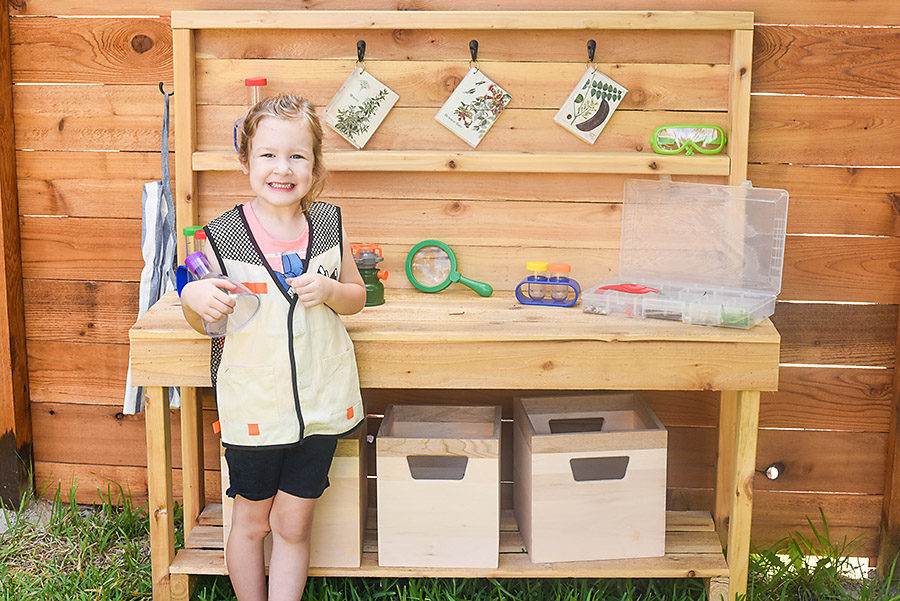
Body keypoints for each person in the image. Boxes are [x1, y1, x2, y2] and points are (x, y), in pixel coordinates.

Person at [180, 94, 366, 601]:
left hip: (319, 403)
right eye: (267, 155)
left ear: (315, 164)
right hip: (256, 407)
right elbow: (195, 307)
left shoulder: (330, 224)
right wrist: (193, 294)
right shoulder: (219, 235)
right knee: (252, 522)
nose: (282, 168)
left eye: (297, 156)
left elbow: (356, 297)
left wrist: (330, 292)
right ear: (246, 161)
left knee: (292, 522)